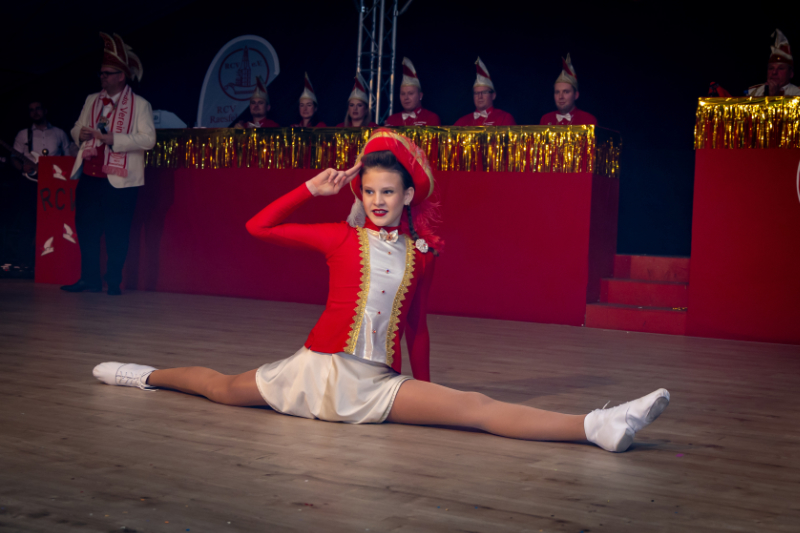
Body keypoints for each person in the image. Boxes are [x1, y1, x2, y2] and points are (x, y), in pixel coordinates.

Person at [91, 128, 670, 453]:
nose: (377, 201)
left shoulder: (422, 256)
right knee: (219, 387)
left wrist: (426, 386)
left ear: (407, 196)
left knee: (475, 409)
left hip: (374, 385)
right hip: (311, 371)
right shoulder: (340, 238)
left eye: (388, 192)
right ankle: (142, 375)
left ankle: (597, 425)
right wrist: (310, 189)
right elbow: (257, 227)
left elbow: (418, 326)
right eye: (369, 191)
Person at [60, 32, 155, 296]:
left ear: (121, 76)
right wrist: (80, 134)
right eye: (101, 73)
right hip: (90, 177)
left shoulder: (140, 105)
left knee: (117, 232)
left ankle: (113, 281)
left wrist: (114, 139)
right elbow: (76, 127)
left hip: (120, 181)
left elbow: (148, 140)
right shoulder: (92, 100)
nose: (102, 77)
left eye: (107, 73)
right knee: (87, 230)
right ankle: (89, 279)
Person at [11, 100, 76, 178]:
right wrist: (22, 168)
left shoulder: (59, 133)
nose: (35, 112)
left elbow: (68, 157)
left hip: (55, 178)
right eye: (31, 110)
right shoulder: (23, 134)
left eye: (38, 108)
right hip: (31, 178)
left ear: (45, 111)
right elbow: (14, 157)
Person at [454, 57, 516, 126]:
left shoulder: (504, 118)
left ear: (493, 95)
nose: (480, 96)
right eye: (476, 93)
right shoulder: (461, 122)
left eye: (484, 92)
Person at [540, 54, 598, 126]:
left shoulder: (589, 120)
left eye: (566, 92)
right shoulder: (546, 119)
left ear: (576, 95)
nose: (561, 97)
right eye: (557, 92)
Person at [384, 57, 441, 127]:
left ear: (420, 96)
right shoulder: (391, 120)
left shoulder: (431, 118)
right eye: (403, 94)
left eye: (410, 93)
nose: (406, 97)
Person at [747, 29, 799, 96]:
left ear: (791, 73)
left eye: (781, 68)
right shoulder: (753, 92)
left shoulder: (797, 93)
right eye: (771, 68)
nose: (774, 72)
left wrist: (773, 97)